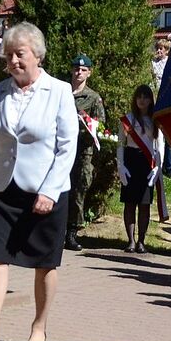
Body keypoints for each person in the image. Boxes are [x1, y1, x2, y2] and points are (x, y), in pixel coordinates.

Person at [0, 22, 77, 341]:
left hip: (45, 192)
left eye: (20, 54)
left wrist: (50, 191)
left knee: (45, 263)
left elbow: (66, 147)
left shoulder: (59, 91)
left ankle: (39, 326)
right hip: (1, 190)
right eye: (8, 55)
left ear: (38, 56)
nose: (13, 61)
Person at [65, 54, 105, 251]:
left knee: (77, 192)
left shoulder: (93, 97)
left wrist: (85, 120)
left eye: (82, 70)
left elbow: (100, 125)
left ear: (89, 73)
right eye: (75, 69)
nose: (78, 72)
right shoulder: (62, 92)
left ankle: (71, 232)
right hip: (61, 149)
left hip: (82, 150)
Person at [117, 84, 162, 253]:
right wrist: (120, 165)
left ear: (151, 100)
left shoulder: (156, 120)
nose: (142, 100)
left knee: (144, 204)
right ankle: (130, 240)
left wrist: (158, 166)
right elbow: (120, 144)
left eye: (146, 97)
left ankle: (141, 241)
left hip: (147, 163)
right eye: (139, 97)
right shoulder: (127, 120)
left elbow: (160, 145)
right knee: (129, 203)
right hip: (131, 161)